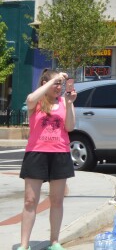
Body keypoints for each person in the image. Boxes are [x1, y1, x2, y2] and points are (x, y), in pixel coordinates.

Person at [20, 70, 77, 250]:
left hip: (59, 153)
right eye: (56, 84)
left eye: (61, 84)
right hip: (36, 153)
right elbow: (29, 99)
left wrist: (69, 104)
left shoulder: (64, 102)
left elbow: (70, 126)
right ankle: (24, 245)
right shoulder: (36, 102)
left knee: (57, 200)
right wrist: (51, 81)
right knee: (30, 200)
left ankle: (54, 241)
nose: (59, 87)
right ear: (45, 82)